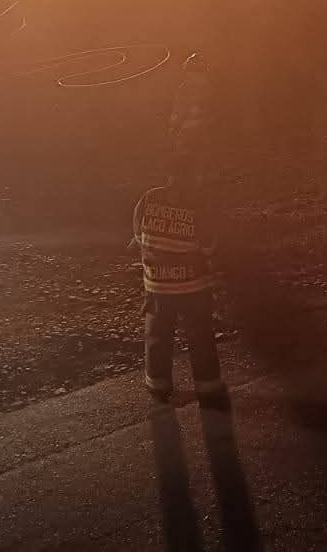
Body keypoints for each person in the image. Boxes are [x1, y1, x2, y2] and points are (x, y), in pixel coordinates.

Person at [133, 150, 225, 406]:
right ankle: (208, 388)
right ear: (193, 174)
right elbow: (209, 245)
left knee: (157, 336)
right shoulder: (198, 202)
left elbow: (138, 234)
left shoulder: (149, 198)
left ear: (168, 174)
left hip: (157, 286)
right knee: (200, 337)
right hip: (192, 287)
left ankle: (158, 386)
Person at [167, 52, 213, 157]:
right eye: (190, 73)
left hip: (203, 130)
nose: (191, 77)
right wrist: (174, 125)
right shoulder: (184, 89)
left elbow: (208, 112)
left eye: (197, 73)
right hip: (185, 129)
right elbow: (177, 109)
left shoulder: (207, 91)